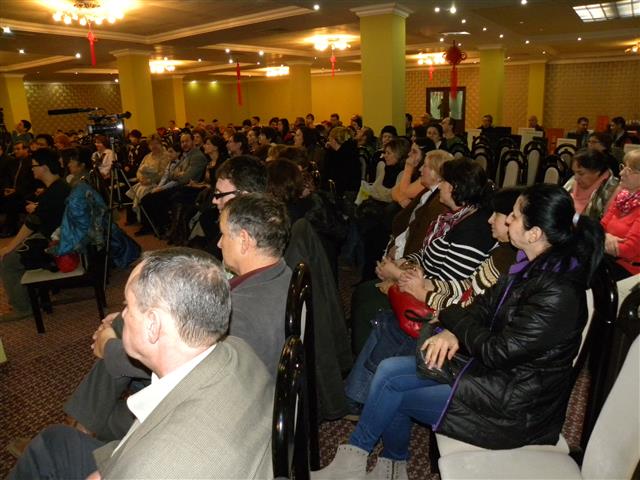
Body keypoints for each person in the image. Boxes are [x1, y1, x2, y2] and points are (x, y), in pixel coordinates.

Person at [318, 184, 604, 479]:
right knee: (389, 371)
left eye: (515, 216)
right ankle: (378, 465)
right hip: (498, 381)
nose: (507, 220)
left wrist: (451, 318)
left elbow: (497, 352)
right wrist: (452, 332)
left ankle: (365, 466)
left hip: (515, 410)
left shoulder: (557, 293)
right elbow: (482, 306)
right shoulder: (528, 266)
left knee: (392, 391)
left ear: (534, 234)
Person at [10, 248, 274, 479]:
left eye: (127, 306)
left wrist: (112, 470)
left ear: (152, 325)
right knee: (54, 442)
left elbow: (148, 464)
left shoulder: (148, 468)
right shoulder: (237, 350)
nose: (123, 315)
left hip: (153, 463)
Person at [218, 193, 292, 374]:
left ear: (244, 240)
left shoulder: (236, 311)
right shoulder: (286, 273)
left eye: (223, 234)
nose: (219, 243)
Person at [0, 148, 71, 321]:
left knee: (8, 261)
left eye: (34, 166)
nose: (31, 169)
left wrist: (9, 247)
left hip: (54, 244)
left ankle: (23, 308)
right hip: (56, 236)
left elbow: (31, 224)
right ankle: (28, 297)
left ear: (44, 167)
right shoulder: (59, 186)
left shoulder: (55, 191)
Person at [601, 150, 640, 279]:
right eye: (623, 167)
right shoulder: (624, 197)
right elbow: (601, 226)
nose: (621, 173)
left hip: (629, 271)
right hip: (609, 260)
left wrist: (598, 240)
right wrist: (606, 236)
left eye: (629, 170)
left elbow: (628, 249)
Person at [125, 134, 172, 223]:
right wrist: (140, 179)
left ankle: (147, 223)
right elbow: (139, 170)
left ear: (160, 143)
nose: (153, 146)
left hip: (158, 183)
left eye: (156, 143)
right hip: (144, 182)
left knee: (144, 197)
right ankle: (134, 219)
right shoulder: (147, 156)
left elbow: (163, 173)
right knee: (130, 193)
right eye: (151, 144)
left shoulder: (166, 156)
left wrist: (149, 181)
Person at [564, 148, 619, 219]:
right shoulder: (573, 182)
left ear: (597, 171)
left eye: (581, 173)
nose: (576, 178)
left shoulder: (612, 189)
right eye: (574, 172)